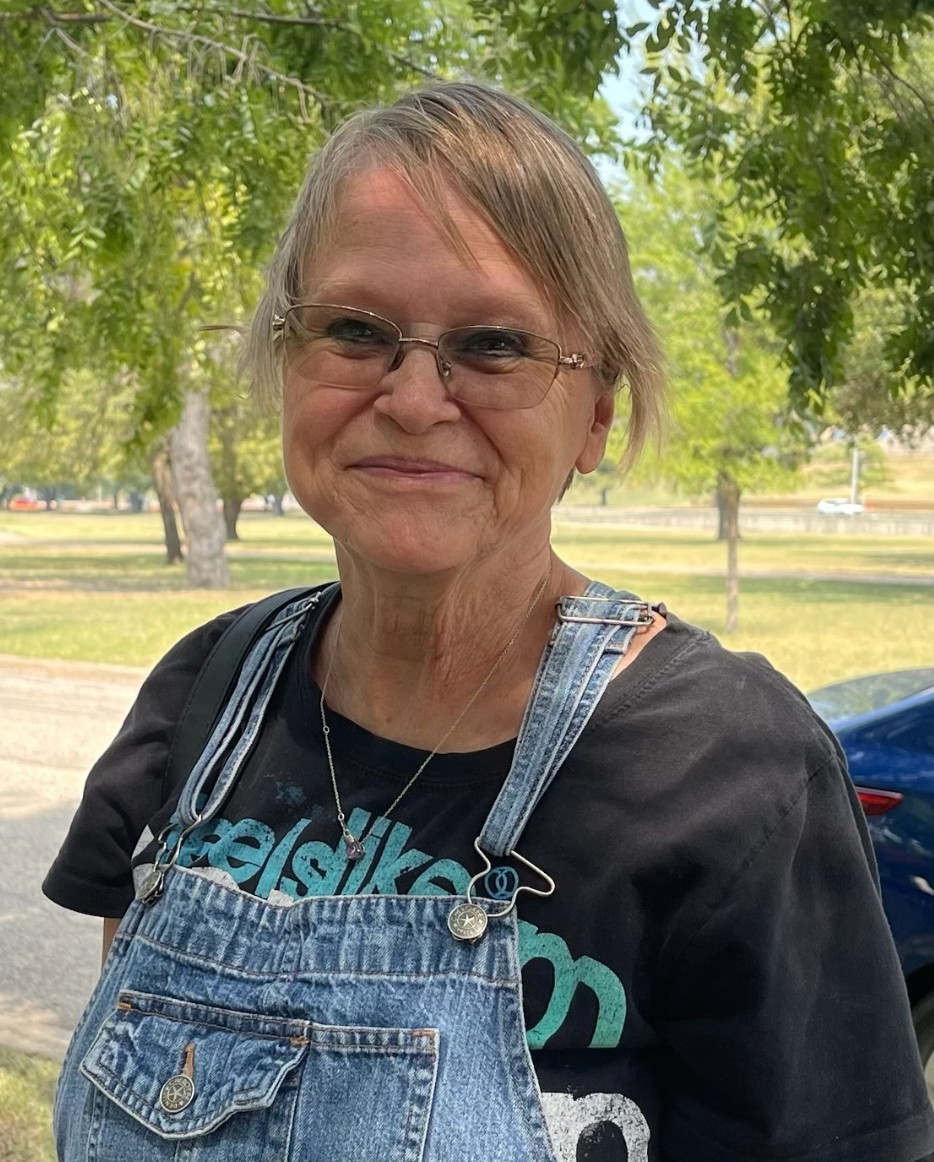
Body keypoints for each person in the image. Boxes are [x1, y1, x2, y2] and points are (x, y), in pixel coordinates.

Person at [45, 82, 934, 1162]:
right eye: (356, 330)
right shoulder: (205, 700)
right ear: (287, 361)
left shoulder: (734, 772)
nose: (415, 400)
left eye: (496, 344)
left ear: (595, 413)